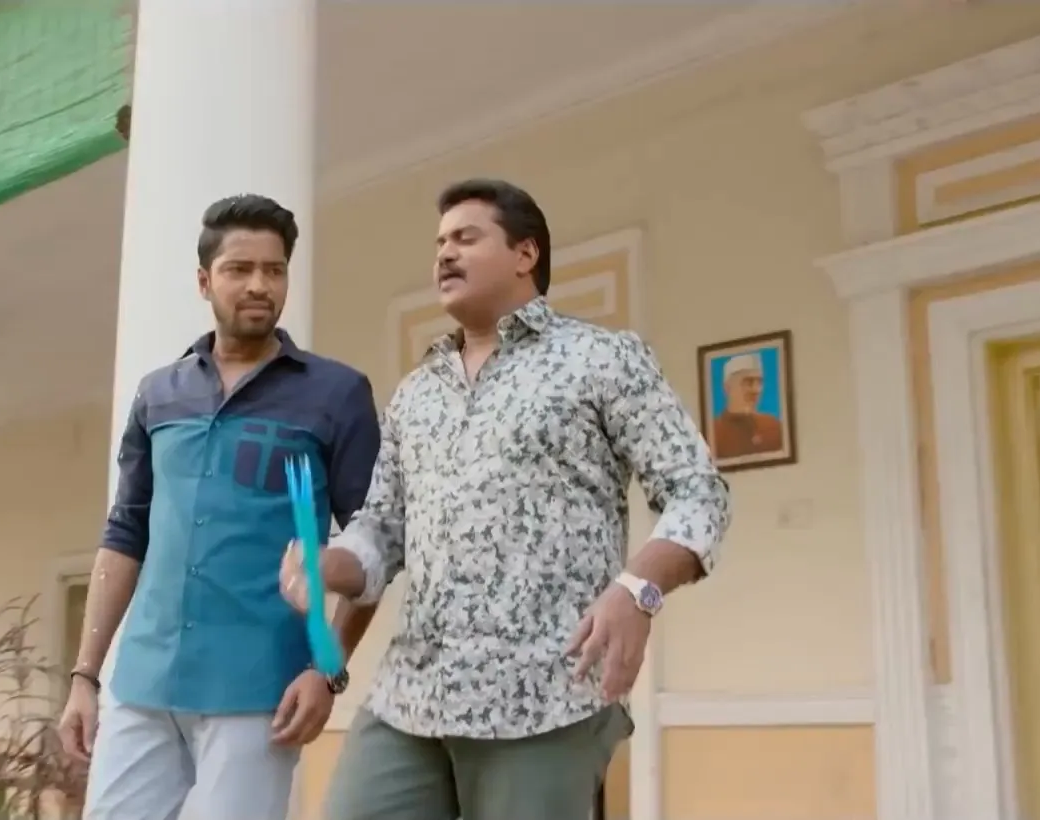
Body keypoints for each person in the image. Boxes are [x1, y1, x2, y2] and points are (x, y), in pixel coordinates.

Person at [281, 178, 732, 820]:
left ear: (526, 253)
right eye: (440, 243)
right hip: (411, 697)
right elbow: (382, 530)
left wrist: (639, 590)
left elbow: (698, 490)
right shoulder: (415, 394)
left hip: (544, 696)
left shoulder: (601, 358)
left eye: (466, 238)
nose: (444, 253)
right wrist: (327, 563)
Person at [56, 194, 384, 820]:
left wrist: (327, 670)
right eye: (240, 269)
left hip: (259, 692)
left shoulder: (336, 393)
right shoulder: (159, 393)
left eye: (274, 269)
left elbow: (374, 545)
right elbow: (125, 534)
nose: (259, 284)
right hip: (143, 682)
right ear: (205, 281)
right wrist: (84, 676)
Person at [709, 352, 784, 459]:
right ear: (727, 387)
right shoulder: (713, 433)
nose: (756, 390)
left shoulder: (773, 427)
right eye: (748, 382)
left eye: (759, 382)